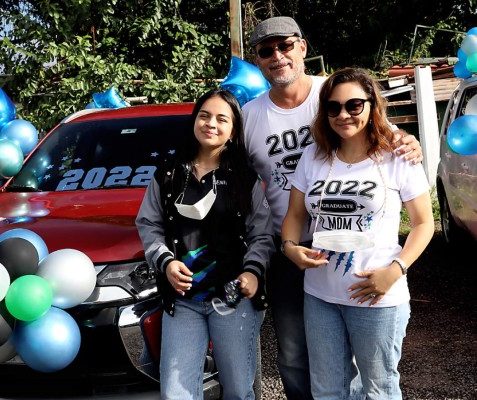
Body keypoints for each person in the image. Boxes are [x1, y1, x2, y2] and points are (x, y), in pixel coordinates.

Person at [242, 16, 424, 399]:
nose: (278, 56)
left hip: (358, 249)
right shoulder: (250, 117)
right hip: (293, 251)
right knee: (294, 353)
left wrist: (409, 142)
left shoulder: (336, 91)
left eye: (285, 45)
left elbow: (383, 130)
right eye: (266, 50)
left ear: (302, 47)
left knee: (368, 371)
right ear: (257, 60)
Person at [281, 67, 434, 399]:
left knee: (378, 389)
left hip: (377, 297)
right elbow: (294, 214)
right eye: (333, 107)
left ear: (371, 104)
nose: (343, 115)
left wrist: (395, 271)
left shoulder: (398, 155)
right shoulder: (314, 154)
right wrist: (290, 246)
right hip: (320, 296)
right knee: (327, 390)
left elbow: (424, 223)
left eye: (354, 105)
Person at [136, 88, 274, 399]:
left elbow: (262, 234)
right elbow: (149, 224)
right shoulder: (168, 176)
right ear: (194, 121)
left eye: (222, 119)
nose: (211, 123)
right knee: (176, 393)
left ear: (233, 130)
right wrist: (166, 262)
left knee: (238, 389)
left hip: (232, 298)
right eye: (204, 115)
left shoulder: (245, 179)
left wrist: (252, 272)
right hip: (183, 301)